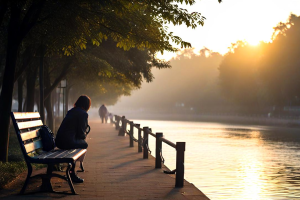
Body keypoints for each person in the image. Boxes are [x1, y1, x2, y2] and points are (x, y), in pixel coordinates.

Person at [55, 95, 91, 183]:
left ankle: (72, 169)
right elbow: (81, 134)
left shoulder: (71, 111)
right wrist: (84, 134)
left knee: (78, 145)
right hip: (68, 142)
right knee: (84, 144)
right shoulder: (83, 114)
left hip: (59, 141)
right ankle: (72, 171)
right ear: (86, 105)